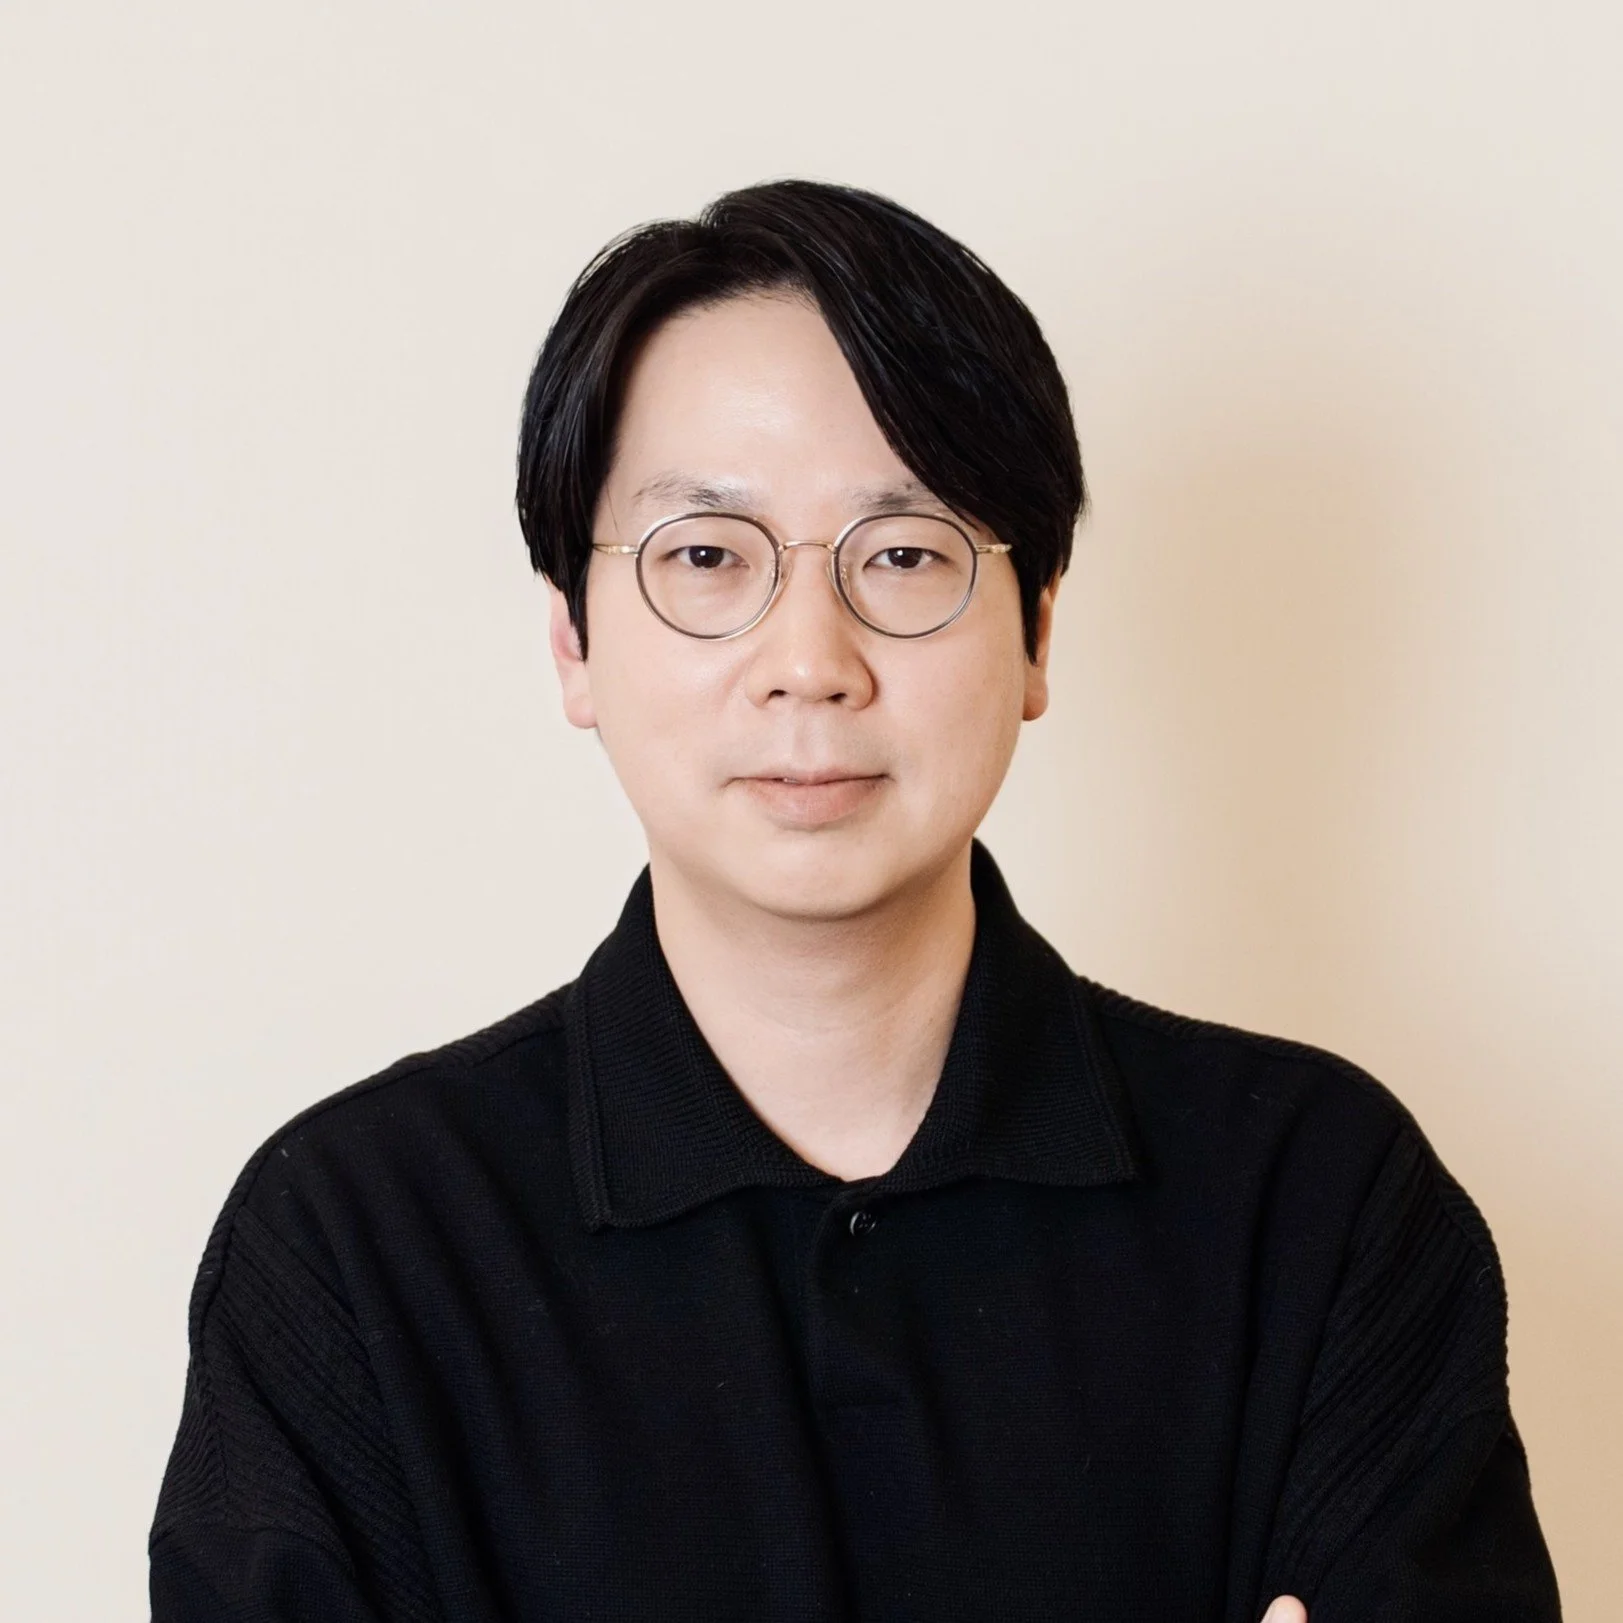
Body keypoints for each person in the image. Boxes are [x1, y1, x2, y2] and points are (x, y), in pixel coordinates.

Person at [148, 180, 1562, 1622]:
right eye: (706, 556)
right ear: (572, 638)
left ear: (1036, 632)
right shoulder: (355, 1246)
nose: (809, 660)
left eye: (901, 555)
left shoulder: (1319, 1203)